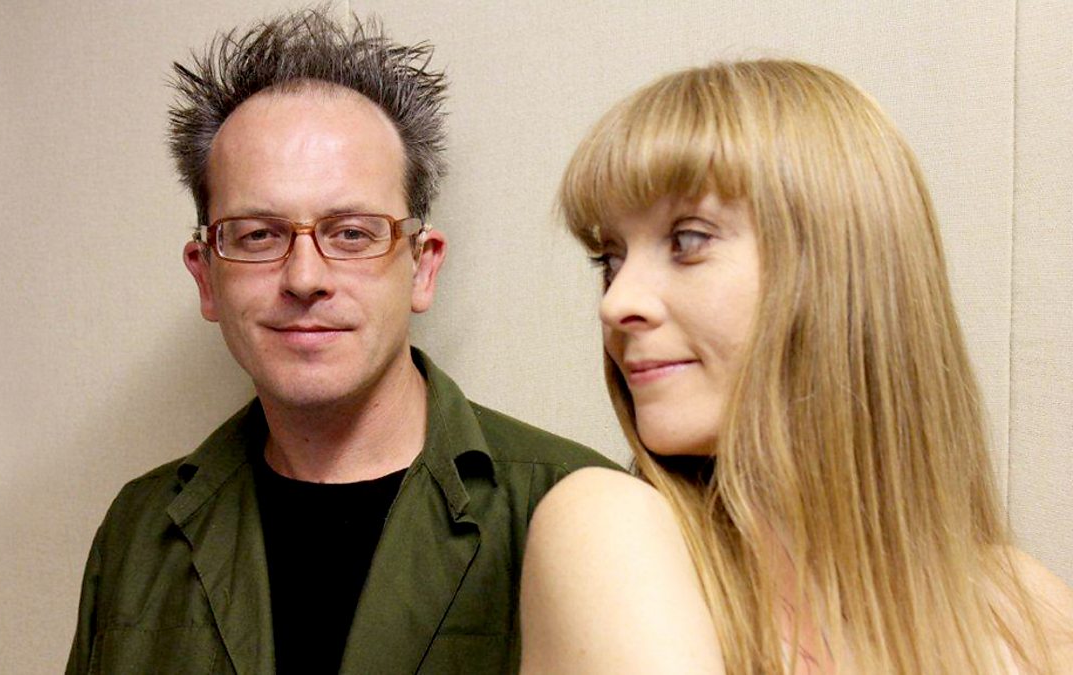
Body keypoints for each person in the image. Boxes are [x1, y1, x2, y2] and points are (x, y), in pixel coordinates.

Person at [66, 9, 615, 674]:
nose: (305, 277)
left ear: (423, 267)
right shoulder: (138, 531)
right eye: (258, 235)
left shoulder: (576, 515)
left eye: (351, 233)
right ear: (206, 276)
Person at [519, 60, 1073, 674]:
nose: (616, 302)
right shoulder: (608, 527)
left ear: (842, 268)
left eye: (688, 241)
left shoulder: (1026, 613)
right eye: (610, 259)